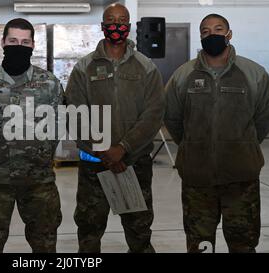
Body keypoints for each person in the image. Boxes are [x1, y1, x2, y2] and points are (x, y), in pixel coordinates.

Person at [164, 14, 269, 253]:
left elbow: (266, 113)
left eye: (218, 29)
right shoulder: (183, 75)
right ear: (200, 36)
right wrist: (193, 145)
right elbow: (173, 118)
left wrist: (244, 143)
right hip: (198, 181)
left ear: (229, 34)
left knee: (243, 245)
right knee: (201, 246)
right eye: (206, 31)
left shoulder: (253, 73)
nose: (212, 35)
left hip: (241, 179)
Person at [65, 3, 165, 253]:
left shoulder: (146, 67)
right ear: (102, 27)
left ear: (129, 27)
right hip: (93, 165)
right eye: (111, 20)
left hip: (134, 163)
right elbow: (75, 113)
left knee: (139, 230)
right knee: (89, 230)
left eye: (122, 21)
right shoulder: (83, 68)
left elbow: (153, 114)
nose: (116, 25)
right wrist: (105, 153)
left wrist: (124, 148)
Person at [0, 18, 63, 253]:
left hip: (38, 181)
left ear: (32, 45)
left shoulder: (49, 84)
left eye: (24, 42)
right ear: (2, 43)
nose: (18, 46)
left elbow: (57, 127)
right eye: (13, 41)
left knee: (45, 244)